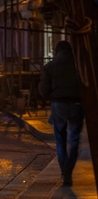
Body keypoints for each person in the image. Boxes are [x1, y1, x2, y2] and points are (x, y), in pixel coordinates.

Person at [40, 40, 85, 186]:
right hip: (76, 104)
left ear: (57, 51)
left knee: (60, 140)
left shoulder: (50, 67)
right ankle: (68, 171)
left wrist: (50, 97)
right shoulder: (80, 66)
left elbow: (43, 90)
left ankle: (64, 172)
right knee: (74, 140)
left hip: (58, 104)